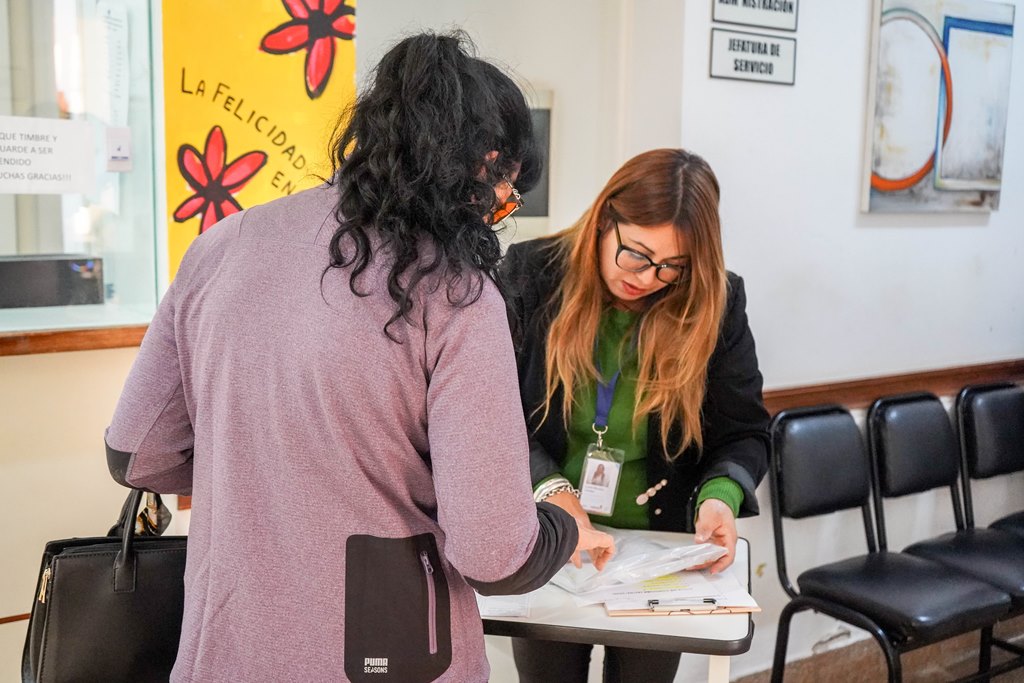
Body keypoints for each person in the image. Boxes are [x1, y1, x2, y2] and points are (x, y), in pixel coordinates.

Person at [104, 32, 613, 683]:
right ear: (485, 166)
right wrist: (560, 530)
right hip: (389, 656)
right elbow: (494, 553)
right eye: (505, 200)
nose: (497, 219)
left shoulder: (220, 246)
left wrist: (272, 466)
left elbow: (135, 451)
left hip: (227, 650)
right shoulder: (455, 291)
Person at [501, 148, 770, 683]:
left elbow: (744, 432)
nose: (649, 278)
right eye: (637, 254)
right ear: (605, 220)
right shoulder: (531, 276)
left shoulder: (713, 300)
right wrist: (556, 497)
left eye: (673, 266)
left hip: (658, 556)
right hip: (549, 538)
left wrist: (721, 496)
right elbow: (491, 420)